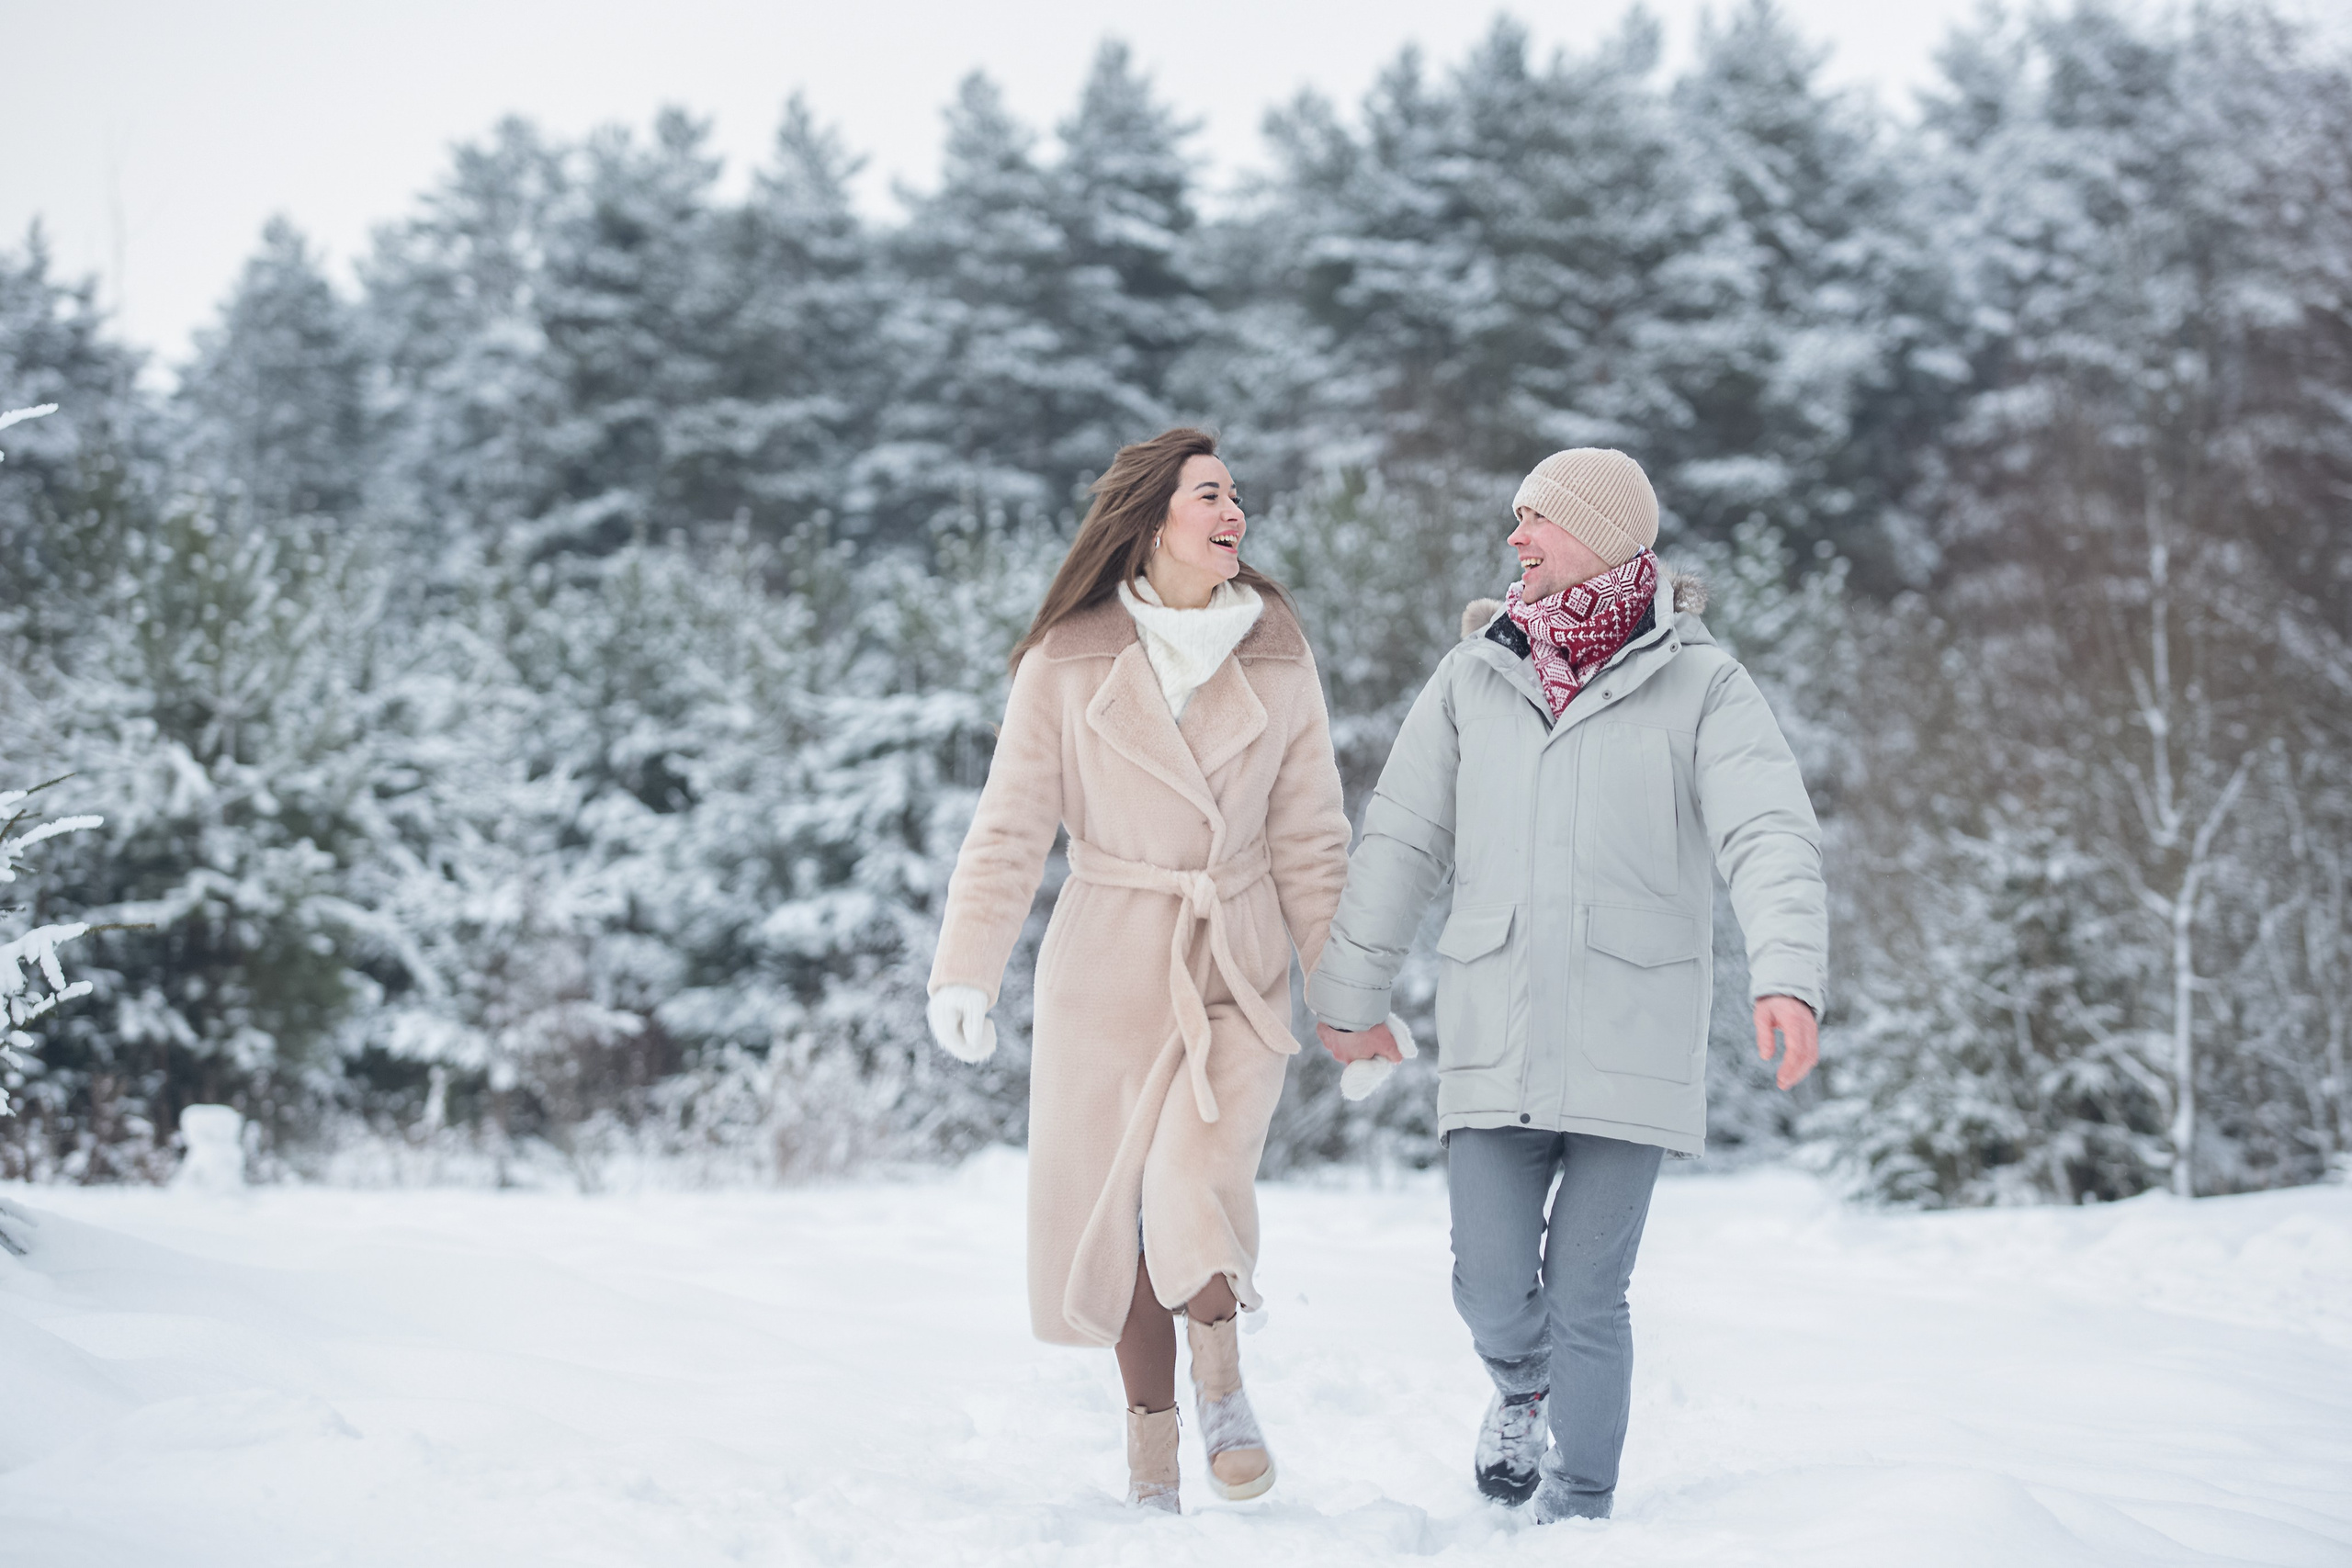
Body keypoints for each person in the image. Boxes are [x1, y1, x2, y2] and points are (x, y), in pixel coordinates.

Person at [1306, 447, 1826, 1524]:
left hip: (1632, 1034)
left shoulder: (1702, 682)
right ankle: (1521, 1390)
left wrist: (1788, 977)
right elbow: (1402, 840)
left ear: (1600, 534)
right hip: (1497, 1021)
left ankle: (1579, 1509)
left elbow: (1766, 832)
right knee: (1489, 1285)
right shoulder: (1473, 675)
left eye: (1533, 519)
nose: (1515, 539)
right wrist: (1349, 998)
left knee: (1590, 1293)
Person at [926, 427, 1357, 1514]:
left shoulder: (1277, 650)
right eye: (1210, 494)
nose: (1235, 513)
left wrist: (1348, 995)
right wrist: (965, 970)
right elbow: (1010, 825)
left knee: (1188, 1183)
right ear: (1151, 514)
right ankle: (1152, 1457)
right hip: (1105, 962)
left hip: (1233, 955)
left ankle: (1223, 1394)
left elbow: (1313, 840)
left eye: (1237, 495)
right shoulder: (1066, 659)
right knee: (1112, 1216)